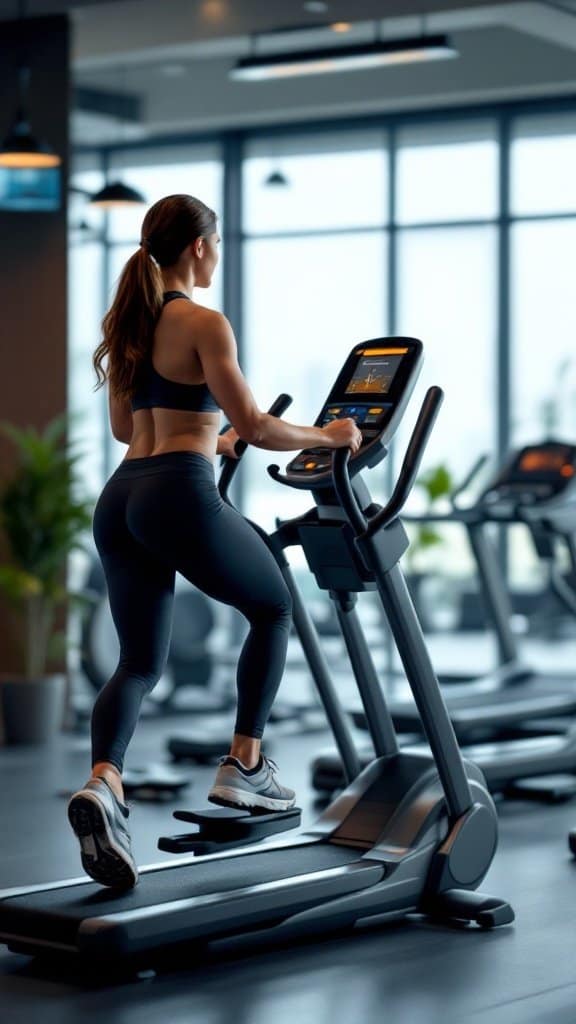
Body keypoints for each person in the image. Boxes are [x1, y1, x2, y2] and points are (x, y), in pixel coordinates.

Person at [67, 193, 363, 888]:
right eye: (217, 243)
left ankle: (103, 782)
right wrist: (332, 436)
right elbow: (258, 425)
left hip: (123, 496)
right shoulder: (204, 321)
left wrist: (211, 437)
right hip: (176, 492)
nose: (218, 255)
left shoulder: (129, 326)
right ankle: (246, 766)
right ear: (199, 247)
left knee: (138, 663)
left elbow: (126, 429)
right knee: (275, 607)